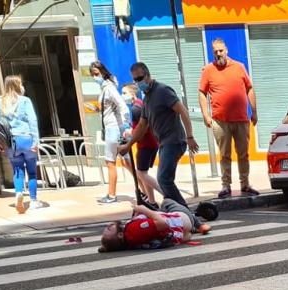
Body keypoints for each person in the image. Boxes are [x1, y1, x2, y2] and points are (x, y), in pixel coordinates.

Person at [119, 62, 200, 206]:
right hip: (163, 143)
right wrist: (129, 145)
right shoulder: (147, 99)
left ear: (148, 75)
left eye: (140, 78)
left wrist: (190, 136)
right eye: (135, 80)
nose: (138, 82)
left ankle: (186, 214)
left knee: (163, 179)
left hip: (174, 141)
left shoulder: (162, 91)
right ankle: (178, 210)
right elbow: (142, 126)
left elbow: (183, 111)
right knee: (165, 179)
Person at [198, 39, 258, 198]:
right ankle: (226, 186)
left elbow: (249, 88)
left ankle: (245, 184)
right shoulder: (208, 70)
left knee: (243, 153)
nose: (218, 54)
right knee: (225, 154)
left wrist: (254, 111)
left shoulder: (239, 67)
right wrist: (205, 114)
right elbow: (202, 93)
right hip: (220, 121)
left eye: (221, 50)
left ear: (226, 50)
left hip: (241, 119)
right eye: (215, 51)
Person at [0, 76, 46, 214]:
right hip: (27, 138)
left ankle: (18, 193)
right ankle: (34, 200)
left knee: (17, 170)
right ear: (18, 85)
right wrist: (36, 141)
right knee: (32, 172)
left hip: (11, 141)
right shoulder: (25, 100)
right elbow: (32, 121)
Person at [99, 199, 212, 252]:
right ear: (119, 235)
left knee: (162, 209)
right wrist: (145, 209)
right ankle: (198, 223)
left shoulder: (130, 240)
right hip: (182, 219)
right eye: (109, 228)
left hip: (180, 231)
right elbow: (163, 223)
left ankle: (194, 227)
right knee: (166, 202)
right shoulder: (134, 230)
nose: (109, 225)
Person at [90, 61, 131, 205]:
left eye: (96, 74)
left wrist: (126, 124)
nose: (95, 77)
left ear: (103, 72)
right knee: (126, 162)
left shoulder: (108, 88)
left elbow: (122, 105)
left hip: (112, 129)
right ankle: (144, 187)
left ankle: (112, 195)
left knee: (110, 162)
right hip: (114, 128)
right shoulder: (107, 87)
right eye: (92, 75)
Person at [121, 82, 164, 205]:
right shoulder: (140, 105)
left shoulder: (136, 109)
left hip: (146, 144)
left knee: (141, 173)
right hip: (150, 144)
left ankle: (166, 194)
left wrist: (130, 134)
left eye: (124, 93)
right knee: (144, 172)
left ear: (133, 94)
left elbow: (142, 128)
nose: (122, 95)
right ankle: (151, 200)